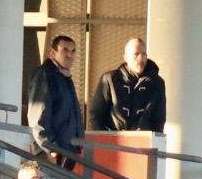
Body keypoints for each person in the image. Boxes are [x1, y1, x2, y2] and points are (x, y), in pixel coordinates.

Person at [26, 34, 83, 165]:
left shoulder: (64, 76)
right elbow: (38, 116)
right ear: (52, 53)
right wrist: (50, 147)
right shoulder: (45, 75)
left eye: (73, 51)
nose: (70, 55)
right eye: (65, 50)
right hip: (52, 152)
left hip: (67, 150)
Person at [89, 37, 165, 132]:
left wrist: (154, 140)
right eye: (136, 54)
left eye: (144, 54)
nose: (141, 58)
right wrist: (105, 139)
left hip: (144, 142)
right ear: (125, 58)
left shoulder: (157, 83)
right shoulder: (110, 79)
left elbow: (159, 119)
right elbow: (96, 115)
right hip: (113, 142)